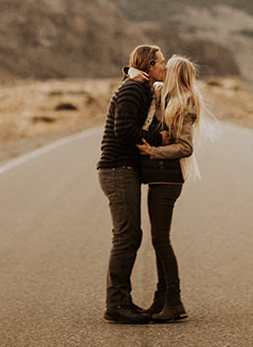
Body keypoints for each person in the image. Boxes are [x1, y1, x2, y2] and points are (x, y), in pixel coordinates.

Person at [97, 44, 167, 325]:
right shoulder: (132, 89)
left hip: (123, 170)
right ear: (149, 65)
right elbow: (123, 130)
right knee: (126, 237)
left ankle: (122, 301)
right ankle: (115, 305)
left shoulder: (141, 87)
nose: (165, 66)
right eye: (161, 62)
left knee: (130, 236)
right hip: (117, 168)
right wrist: (156, 138)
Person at [136, 55, 204, 323]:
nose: (162, 70)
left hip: (168, 179)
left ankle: (174, 300)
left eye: (167, 68)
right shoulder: (165, 96)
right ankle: (160, 299)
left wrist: (154, 151)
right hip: (161, 178)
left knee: (161, 240)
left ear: (175, 74)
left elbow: (185, 147)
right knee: (158, 239)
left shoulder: (182, 104)